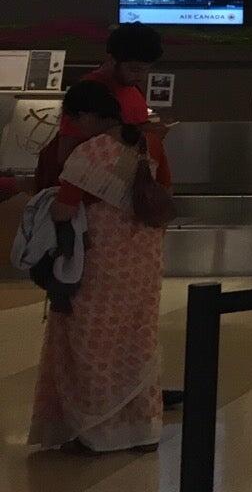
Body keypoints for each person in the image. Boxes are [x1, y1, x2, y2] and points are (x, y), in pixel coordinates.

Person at [30, 81, 170, 455]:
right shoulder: (150, 145)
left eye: (75, 121)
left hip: (99, 262)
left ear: (89, 116)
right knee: (137, 338)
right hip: (143, 260)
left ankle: (97, 432)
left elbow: (64, 209)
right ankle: (142, 429)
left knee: (91, 340)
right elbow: (164, 193)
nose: (75, 129)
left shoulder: (88, 153)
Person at [42, 24, 169, 192]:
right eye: (134, 69)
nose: (141, 76)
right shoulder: (89, 91)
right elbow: (66, 155)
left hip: (123, 190)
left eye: (146, 69)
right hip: (91, 193)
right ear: (112, 60)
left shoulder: (133, 89)